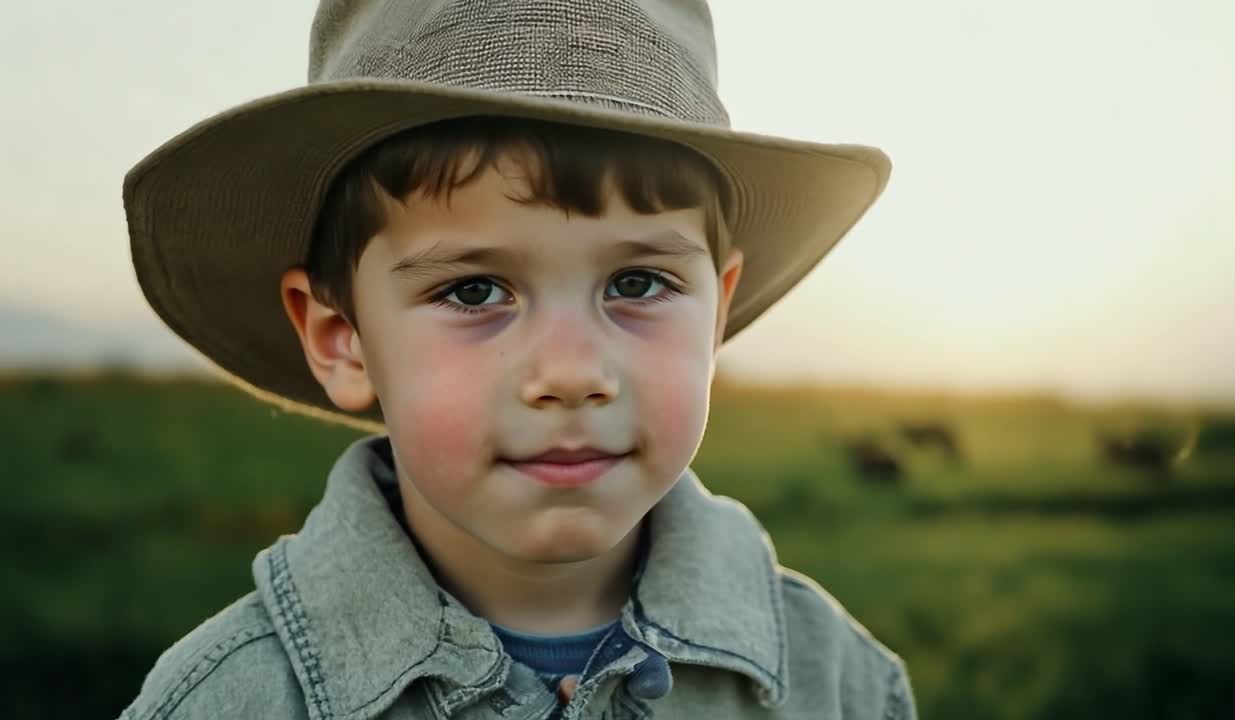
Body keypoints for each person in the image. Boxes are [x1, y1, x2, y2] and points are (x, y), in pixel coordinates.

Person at [118, 1, 916, 717]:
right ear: (341, 338)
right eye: (473, 293)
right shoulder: (229, 702)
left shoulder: (839, 685)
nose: (570, 374)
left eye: (637, 282)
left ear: (717, 313)